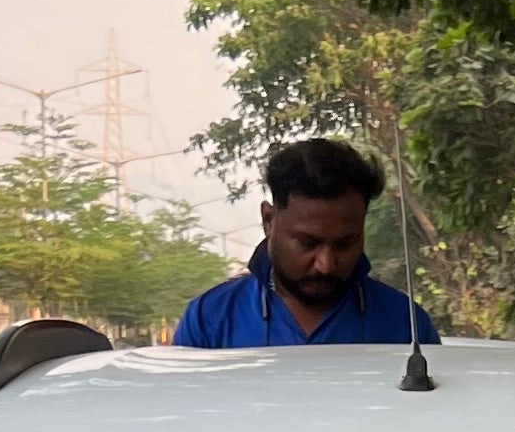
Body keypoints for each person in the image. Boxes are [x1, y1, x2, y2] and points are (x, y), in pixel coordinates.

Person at [171, 135, 439, 350]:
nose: (326, 265)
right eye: (307, 243)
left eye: (345, 244)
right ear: (268, 220)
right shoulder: (210, 320)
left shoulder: (407, 326)